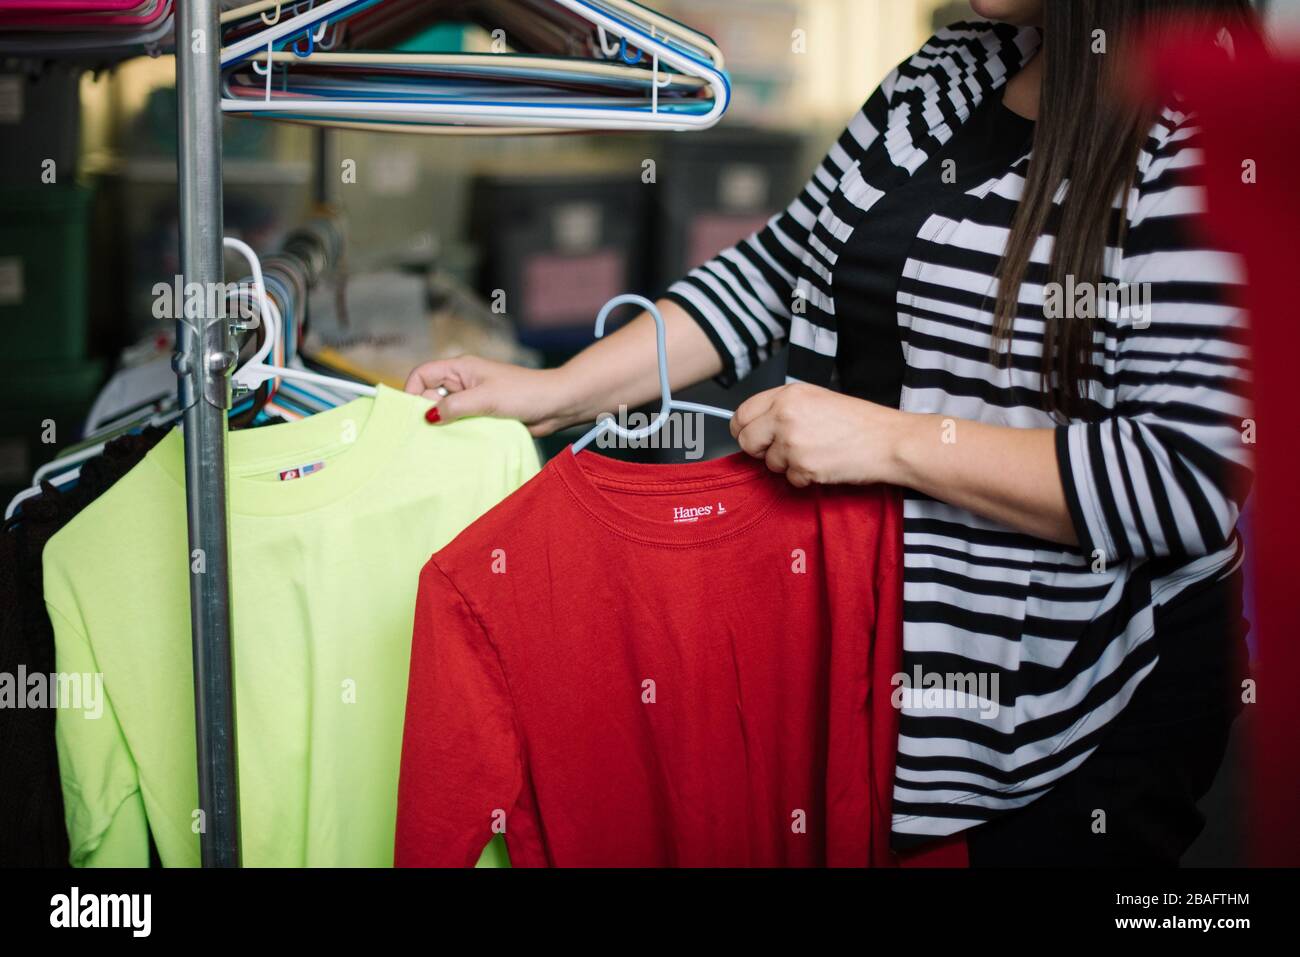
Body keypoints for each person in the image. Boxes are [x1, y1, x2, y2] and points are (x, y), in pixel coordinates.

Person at [405, 0, 1256, 866]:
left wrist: (889, 441)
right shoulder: (953, 73)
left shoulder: (1199, 136)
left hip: (1076, 703)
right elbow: (784, 265)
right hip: (882, 641)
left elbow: (1184, 478)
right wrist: (557, 393)